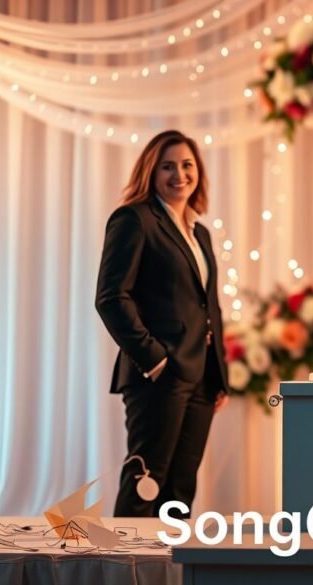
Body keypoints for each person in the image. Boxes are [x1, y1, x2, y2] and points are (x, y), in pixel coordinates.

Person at [95, 130, 229, 518]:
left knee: (180, 490)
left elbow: (210, 307)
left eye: (187, 165)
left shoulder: (200, 232)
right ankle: (124, 559)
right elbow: (111, 298)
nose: (179, 175)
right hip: (158, 376)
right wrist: (154, 360)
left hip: (202, 377)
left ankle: (171, 558)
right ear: (151, 172)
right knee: (145, 483)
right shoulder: (134, 219)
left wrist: (219, 374)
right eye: (167, 166)